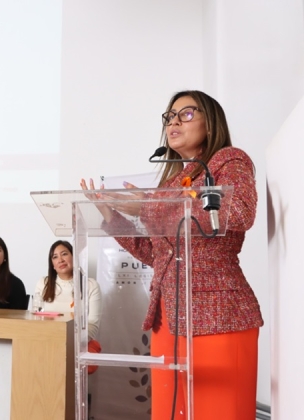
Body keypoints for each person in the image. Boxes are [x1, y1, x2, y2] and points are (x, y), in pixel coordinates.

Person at [80, 90, 263, 420]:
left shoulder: (230, 160)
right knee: (170, 412)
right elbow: (156, 253)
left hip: (219, 316)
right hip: (167, 318)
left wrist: (148, 205)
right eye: (169, 116)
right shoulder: (172, 182)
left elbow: (237, 213)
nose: (174, 121)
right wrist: (111, 216)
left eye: (187, 114)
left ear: (211, 123)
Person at [34, 240, 102, 340]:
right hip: (46, 340)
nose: (60, 260)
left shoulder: (91, 285)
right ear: (52, 264)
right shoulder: (43, 283)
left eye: (64, 254)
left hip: (77, 345)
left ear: (74, 257)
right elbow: (36, 319)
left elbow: (92, 326)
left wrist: (70, 341)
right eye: (55, 257)